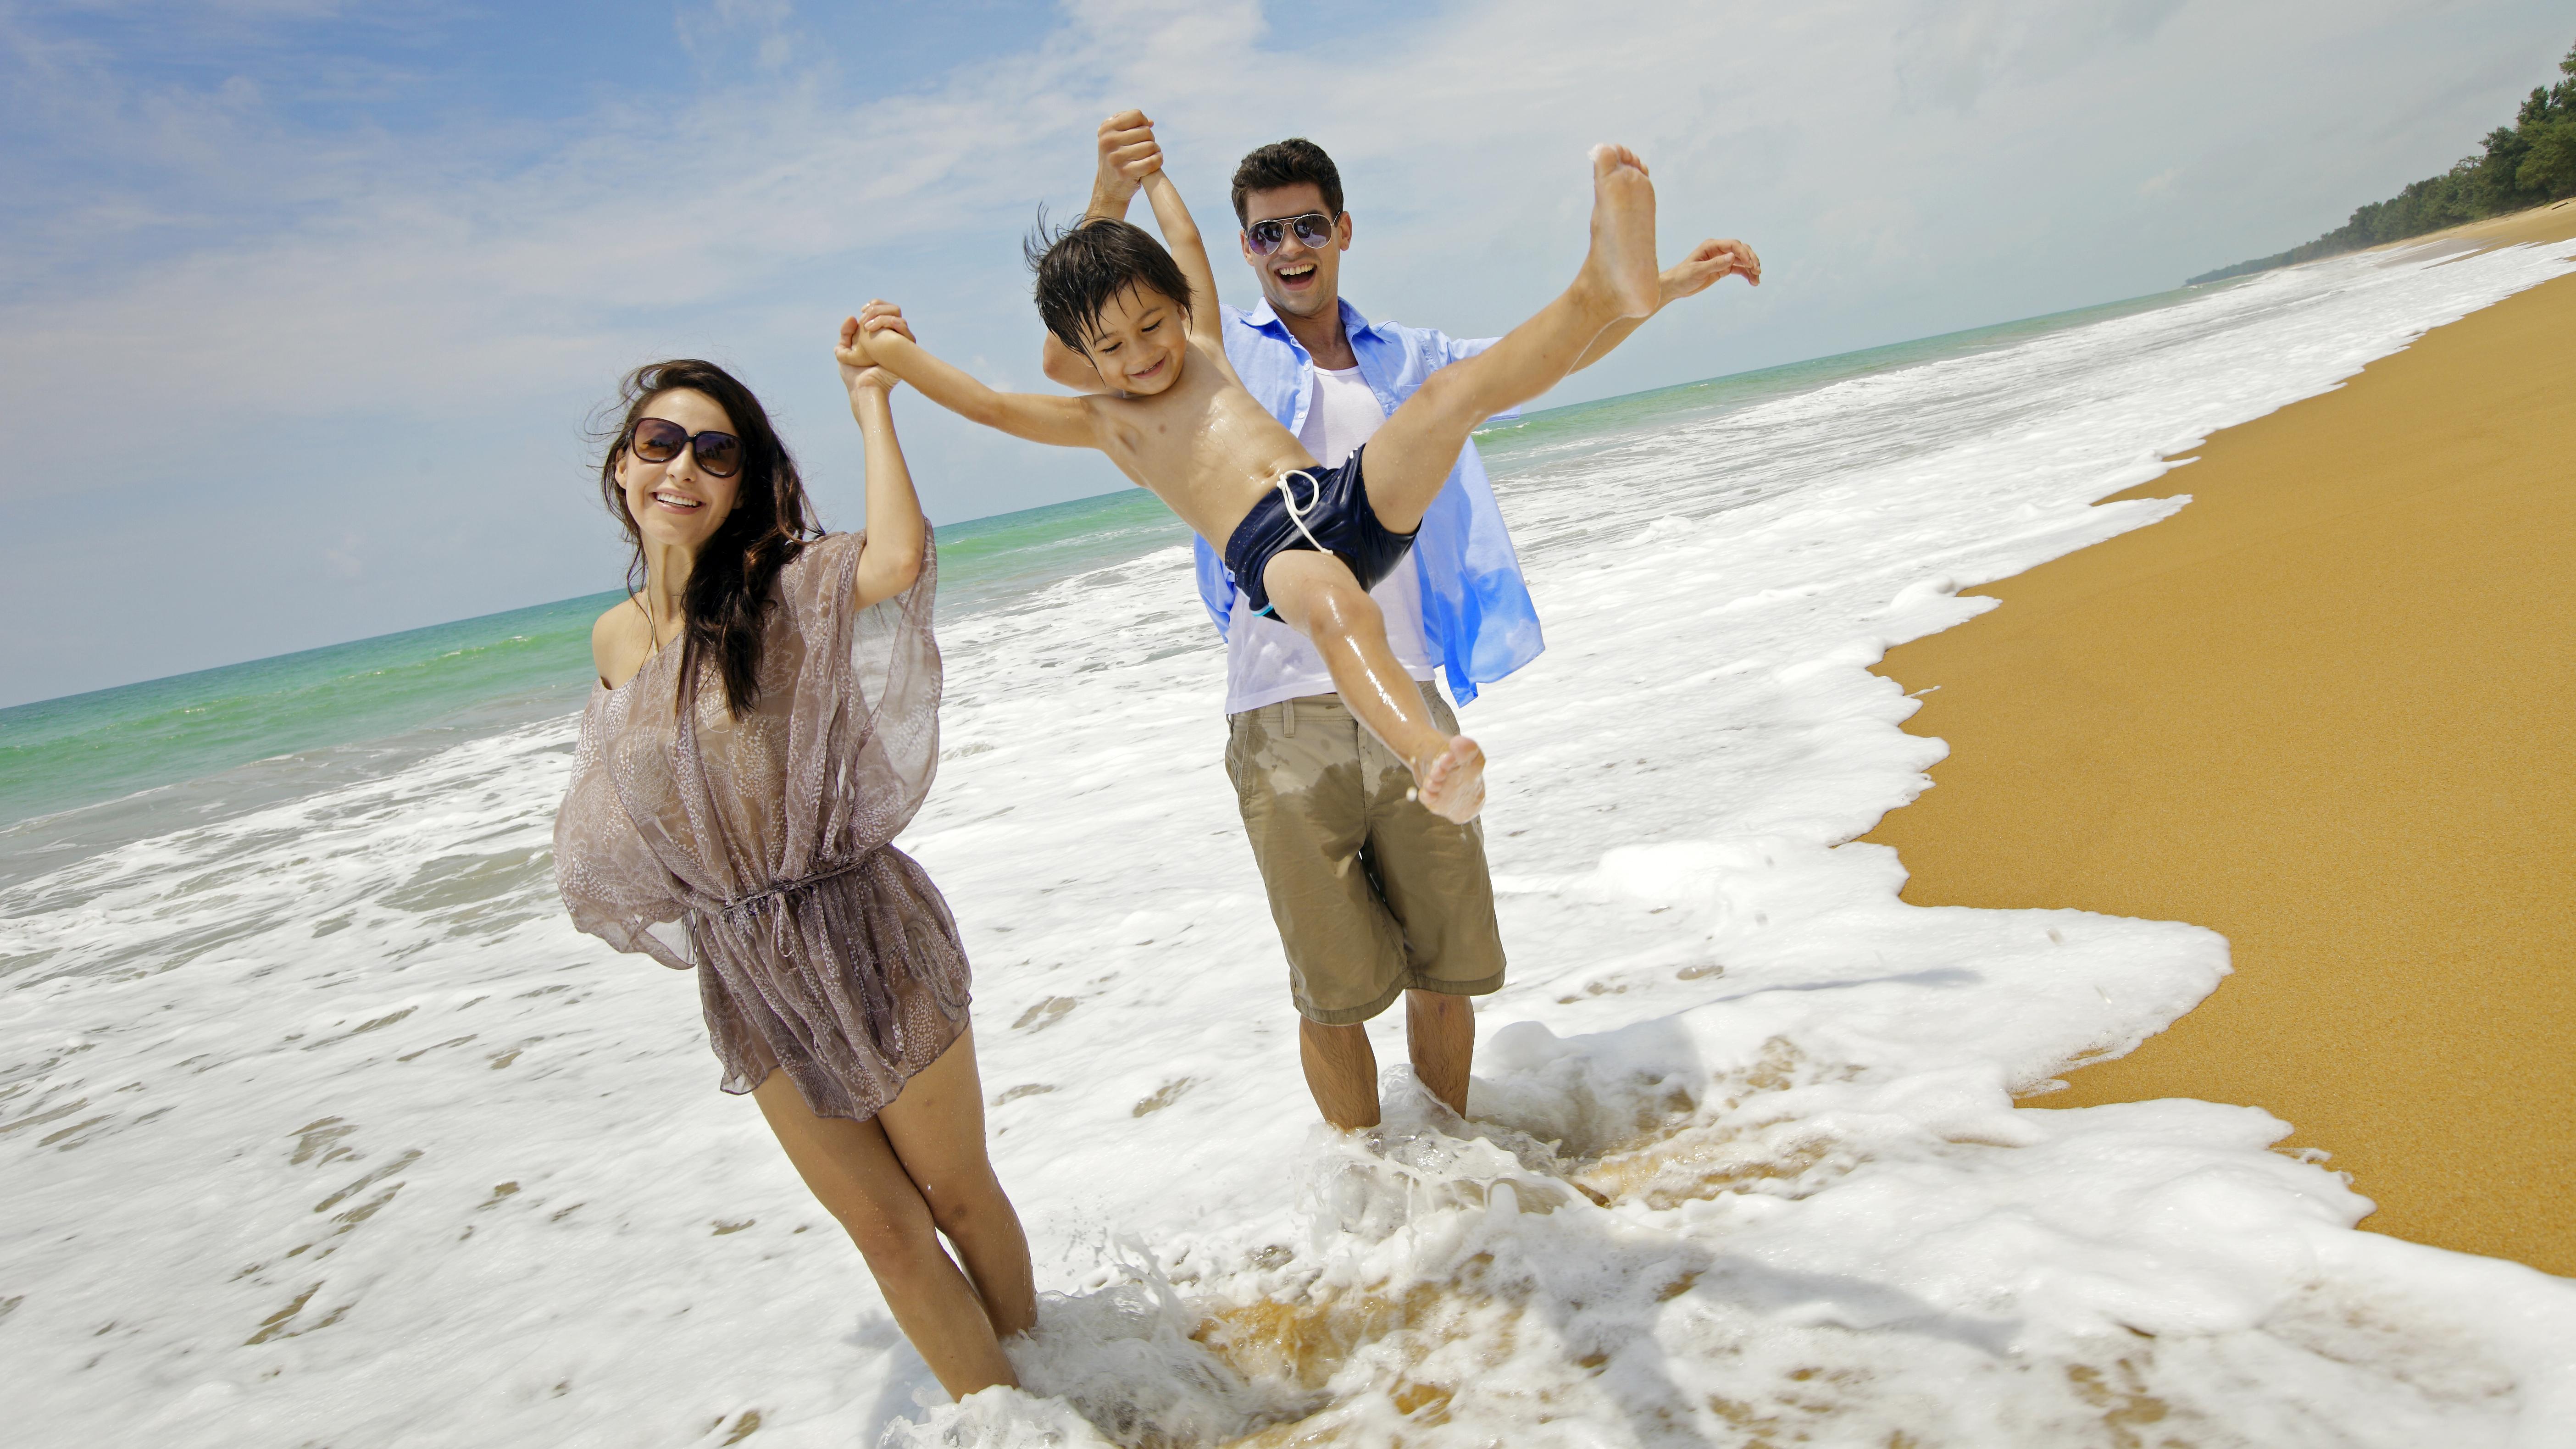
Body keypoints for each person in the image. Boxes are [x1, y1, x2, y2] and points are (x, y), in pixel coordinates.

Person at [1049, 115, 1760, 1130]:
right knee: (1332, 995)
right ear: (1243, 249)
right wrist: (1108, 197)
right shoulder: (1196, 348)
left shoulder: (1410, 361)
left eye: (1306, 228)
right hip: (1281, 711)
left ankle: (1454, 1159)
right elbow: (1078, 342)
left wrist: (1660, 290)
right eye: (1265, 235)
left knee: (1447, 970)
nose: (1288, 249)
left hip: (1407, 688)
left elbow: (1539, 358)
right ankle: (1370, 1190)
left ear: (1342, 230)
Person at [843, 128, 1707, 829]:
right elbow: (990, 404)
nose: (1142, 355)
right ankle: (1429, 759)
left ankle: (1604, 289)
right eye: (1112, 348)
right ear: (1088, 358)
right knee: (1341, 612)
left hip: (1344, 497)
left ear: (1179, 306)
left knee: (1452, 394)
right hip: (1273, 550)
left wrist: (1157, 178)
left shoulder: (1212, 348)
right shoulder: (1106, 422)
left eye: (1153, 324)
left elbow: (1184, 243)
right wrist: (893, 354)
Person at [551, 322, 1035, 1402]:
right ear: (623, 463)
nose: (682, 467)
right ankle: (1020, 1433)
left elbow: (898, 561)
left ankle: (1058, 1381)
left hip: (857, 926)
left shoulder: (776, 585)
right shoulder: (614, 637)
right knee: (889, 1235)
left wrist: (874, 399)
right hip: (749, 970)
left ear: (743, 484)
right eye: (660, 441)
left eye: (715, 453)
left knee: (955, 1194)